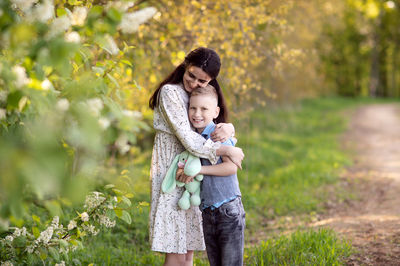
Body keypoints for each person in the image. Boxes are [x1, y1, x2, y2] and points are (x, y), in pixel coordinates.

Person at [148, 47, 244, 266]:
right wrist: (227, 150)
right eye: (191, 75)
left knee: (188, 250)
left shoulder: (198, 96)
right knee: (175, 249)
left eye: (202, 81)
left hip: (194, 174)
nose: (193, 83)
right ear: (184, 65)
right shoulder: (170, 93)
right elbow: (189, 139)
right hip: (172, 173)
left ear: (210, 82)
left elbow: (210, 123)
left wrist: (228, 128)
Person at [188, 85, 245, 266]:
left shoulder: (219, 134)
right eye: (193, 108)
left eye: (204, 109)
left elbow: (231, 167)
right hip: (208, 211)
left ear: (216, 111)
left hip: (227, 208)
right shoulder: (192, 138)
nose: (197, 113)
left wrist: (199, 170)